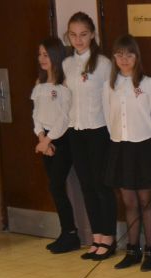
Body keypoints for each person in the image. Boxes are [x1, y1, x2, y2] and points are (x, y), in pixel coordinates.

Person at [103, 35, 151, 272]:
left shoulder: (149, 84)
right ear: (114, 57)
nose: (124, 59)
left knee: (145, 201)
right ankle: (133, 250)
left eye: (129, 54)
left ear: (137, 57)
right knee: (128, 202)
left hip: (144, 147)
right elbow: (108, 117)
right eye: (119, 54)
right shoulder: (110, 85)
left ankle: (150, 250)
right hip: (120, 147)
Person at [63, 12, 117, 261]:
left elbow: (111, 100)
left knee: (101, 185)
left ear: (92, 34)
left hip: (99, 131)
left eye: (83, 34)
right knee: (86, 185)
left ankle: (109, 237)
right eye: (73, 35)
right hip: (75, 130)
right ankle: (96, 236)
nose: (78, 40)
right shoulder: (67, 64)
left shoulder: (103, 64)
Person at [31, 37, 80, 254]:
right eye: (40, 54)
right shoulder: (39, 83)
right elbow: (36, 114)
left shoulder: (63, 84)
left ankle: (71, 234)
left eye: (46, 54)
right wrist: (41, 137)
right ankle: (66, 232)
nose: (42, 59)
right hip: (45, 140)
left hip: (61, 139)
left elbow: (63, 117)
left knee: (56, 186)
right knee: (55, 186)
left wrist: (48, 140)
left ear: (56, 56)